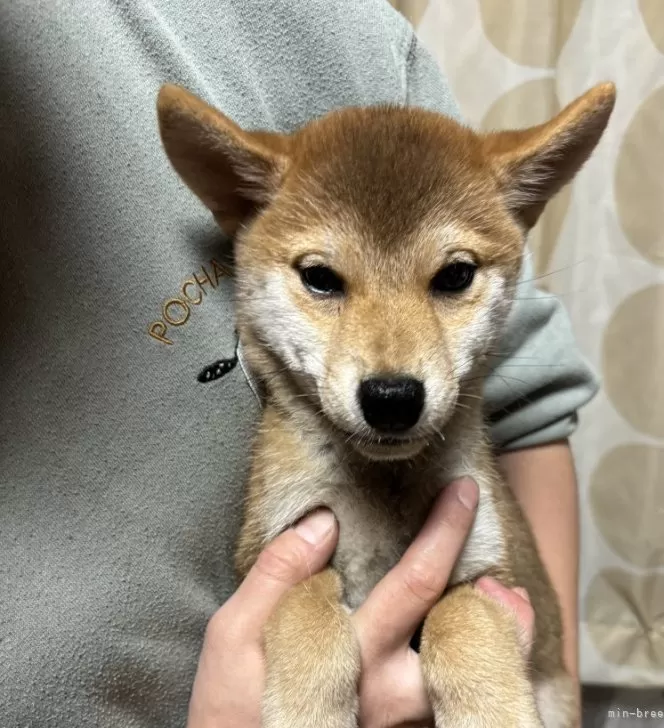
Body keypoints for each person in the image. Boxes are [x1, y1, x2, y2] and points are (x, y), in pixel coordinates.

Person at [0, 0, 596, 725]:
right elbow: (281, 572)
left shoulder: (354, 32)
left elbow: (534, 410)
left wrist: (538, 674)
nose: (392, 367)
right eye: (323, 278)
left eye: (451, 277)